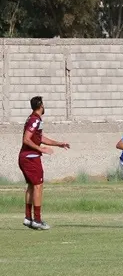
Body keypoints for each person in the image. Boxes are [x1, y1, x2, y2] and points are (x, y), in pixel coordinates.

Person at [19, 96, 70, 230]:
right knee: (38, 186)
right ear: (41, 105)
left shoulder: (33, 119)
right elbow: (27, 139)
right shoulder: (35, 120)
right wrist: (40, 149)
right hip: (31, 157)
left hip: (25, 157)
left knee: (31, 186)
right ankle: (37, 219)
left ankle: (28, 218)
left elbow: (39, 137)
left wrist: (58, 143)